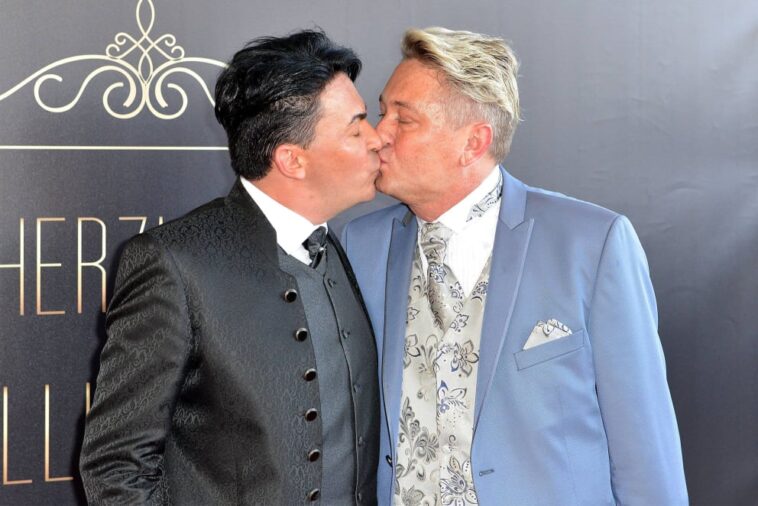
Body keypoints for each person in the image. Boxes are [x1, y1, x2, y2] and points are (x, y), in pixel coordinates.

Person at [341, 27, 688, 505]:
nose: (379, 135)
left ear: (473, 142)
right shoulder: (361, 244)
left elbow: (645, 448)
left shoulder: (591, 244)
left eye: (405, 119)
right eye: (384, 113)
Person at [80, 30, 382, 505]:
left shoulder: (351, 249)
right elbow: (116, 465)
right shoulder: (174, 263)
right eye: (357, 127)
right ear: (292, 160)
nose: (378, 139)